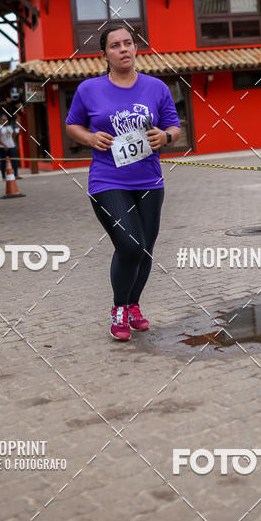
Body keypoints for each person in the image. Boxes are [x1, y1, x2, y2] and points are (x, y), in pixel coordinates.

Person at [66, 24, 181, 341]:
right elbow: (72, 125)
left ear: (136, 48)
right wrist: (89, 136)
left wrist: (165, 136)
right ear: (104, 54)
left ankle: (134, 305)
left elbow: (174, 126)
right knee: (130, 245)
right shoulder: (88, 89)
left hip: (150, 181)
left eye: (128, 43)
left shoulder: (156, 87)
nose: (124, 49)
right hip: (107, 179)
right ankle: (119, 308)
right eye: (115, 45)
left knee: (146, 250)